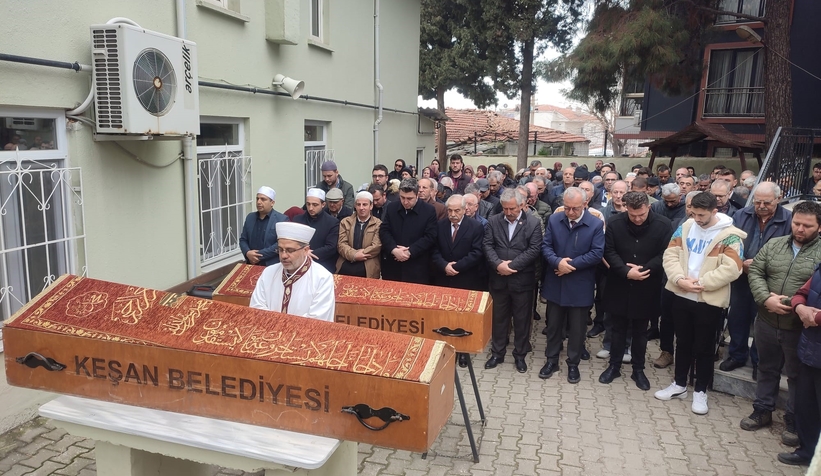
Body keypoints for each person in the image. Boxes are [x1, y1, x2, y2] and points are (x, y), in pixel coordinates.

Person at [655, 192, 745, 415]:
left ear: (715, 211)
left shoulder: (730, 236)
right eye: (693, 213)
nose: (696, 218)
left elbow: (732, 268)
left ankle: (700, 391)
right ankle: (679, 385)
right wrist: (679, 280)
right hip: (681, 294)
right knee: (682, 342)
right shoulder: (685, 227)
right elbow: (670, 255)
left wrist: (702, 284)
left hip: (708, 300)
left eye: (701, 215)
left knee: (704, 347)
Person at [740, 201, 821, 447]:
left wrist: (786, 302)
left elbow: (813, 290)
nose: (800, 229)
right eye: (796, 223)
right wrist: (765, 299)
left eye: (807, 226)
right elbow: (756, 271)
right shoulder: (775, 244)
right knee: (766, 368)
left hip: (799, 327)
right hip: (766, 320)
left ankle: (794, 420)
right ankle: (762, 409)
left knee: (796, 376)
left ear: (819, 227)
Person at [598, 192, 672, 390]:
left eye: (641, 215)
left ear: (648, 207)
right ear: (626, 209)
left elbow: (666, 253)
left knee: (640, 331)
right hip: (619, 283)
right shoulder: (614, 223)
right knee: (617, 328)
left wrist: (644, 269)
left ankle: (638, 369)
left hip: (647, 284)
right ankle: (614, 366)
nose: (637, 219)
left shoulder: (664, 224)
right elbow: (608, 251)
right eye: (633, 215)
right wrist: (625, 271)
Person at [721, 182, 792, 376]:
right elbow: (730, 242)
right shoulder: (741, 215)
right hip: (742, 277)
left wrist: (762, 265)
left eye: (767, 202)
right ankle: (736, 355)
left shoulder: (788, 219)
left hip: (769, 280)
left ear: (778, 199)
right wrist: (741, 261)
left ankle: (758, 362)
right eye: (757, 201)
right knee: (737, 317)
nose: (761, 206)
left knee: (762, 322)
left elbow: (789, 251)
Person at [540, 188, 605, 383]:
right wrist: (557, 262)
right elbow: (546, 246)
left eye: (575, 208)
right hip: (556, 282)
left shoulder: (595, 224)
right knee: (553, 326)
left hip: (580, 284)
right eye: (567, 207)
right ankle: (551, 360)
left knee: (577, 329)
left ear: (585, 204)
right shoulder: (554, 219)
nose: (570, 212)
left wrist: (570, 266)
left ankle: (573, 364)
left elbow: (596, 253)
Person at [484, 188, 543, 373]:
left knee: (522, 320)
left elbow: (534, 250)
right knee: (499, 318)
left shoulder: (533, 223)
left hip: (522, 281)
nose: (508, 212)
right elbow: (487, 245)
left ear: (522, 205)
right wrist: (498, 264)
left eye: (512, 209)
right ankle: (497, 353)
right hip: (498, 280)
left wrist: (511, 266)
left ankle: (520, 355)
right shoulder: (494, 221)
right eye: (505, 209)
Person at [779, 258, 821, 466]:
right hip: (810, 350)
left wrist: (816, 318)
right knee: (807, 407)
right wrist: (800, 308)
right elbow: (801, 293)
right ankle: (806, 453)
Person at [250, 222, 335, 322]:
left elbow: (316, 321)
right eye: (280, 250)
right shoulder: (268, 272)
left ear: (305, 250)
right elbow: (256, 309)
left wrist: (279, 324)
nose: (284, 256)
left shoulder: (322, 278)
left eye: (290, 250)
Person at [379, 178, 438, 284]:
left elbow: (430, 236)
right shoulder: (392, 207)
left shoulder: (428, 210)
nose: (405, 202)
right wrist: (393, 249)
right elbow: (384, 230)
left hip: (417, 266)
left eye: (410, 198)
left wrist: (410, 251)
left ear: (417, 195)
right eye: (402, 197)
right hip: (393, 265)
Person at [432, 194, 486, 291]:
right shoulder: (440, 225)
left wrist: (456, 266)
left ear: (464, 210)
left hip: (466, 278)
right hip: (443, 277)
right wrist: (444, 265)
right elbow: (434, 249)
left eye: (457, 211)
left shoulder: (476, 227)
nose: (452, 214)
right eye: (450, 210)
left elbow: (477, 252)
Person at [292, 188, 340, 273]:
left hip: (322, 265)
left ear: (323, 204)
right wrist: (303, 253)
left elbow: (331, 247)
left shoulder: (332, 222)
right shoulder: (297, 219)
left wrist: (309, 254)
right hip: (299, 264)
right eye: (308, 204)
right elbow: (292, 241)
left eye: (315, 205)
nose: (311, 208)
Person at [336, 191, 382, 279]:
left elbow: (376, 246)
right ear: (355, 206)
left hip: (368, 266)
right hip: (346, 263)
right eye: (358, 204)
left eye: (365, 204)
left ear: (371, 206)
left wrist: (362, 254)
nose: (361, 208)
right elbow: (341, 244)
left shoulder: (378, 224)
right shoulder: (345, 222)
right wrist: (354, 255)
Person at [239, 186, 288, 266]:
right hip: (251, 263)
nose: (259, 202)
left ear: (272, 203)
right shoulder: (250, 217)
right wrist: (247, 253)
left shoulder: (281, 219)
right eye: (257, 199)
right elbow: (243, 239)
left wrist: (257, 255)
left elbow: (280, 243)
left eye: (263, 199)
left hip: (271, 265)